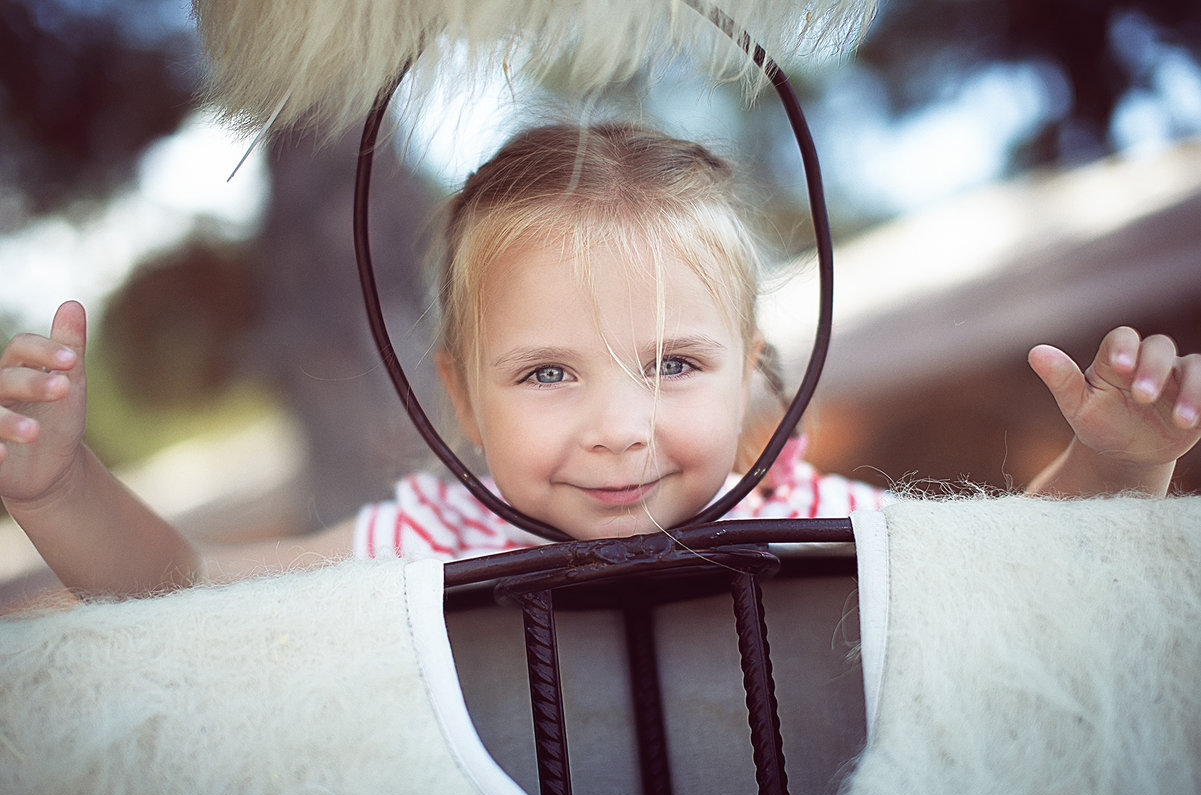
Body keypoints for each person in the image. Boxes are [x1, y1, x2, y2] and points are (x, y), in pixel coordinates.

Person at [1, 123, 1199, 600]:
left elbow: (1022, 588)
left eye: (674, 364)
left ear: (750, 372)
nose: (619, 427)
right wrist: (61, 490)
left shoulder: (803, 513)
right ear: (461, 399)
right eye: (546, 375)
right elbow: (185, 592)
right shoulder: (430, 534)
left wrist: (1117, 465)